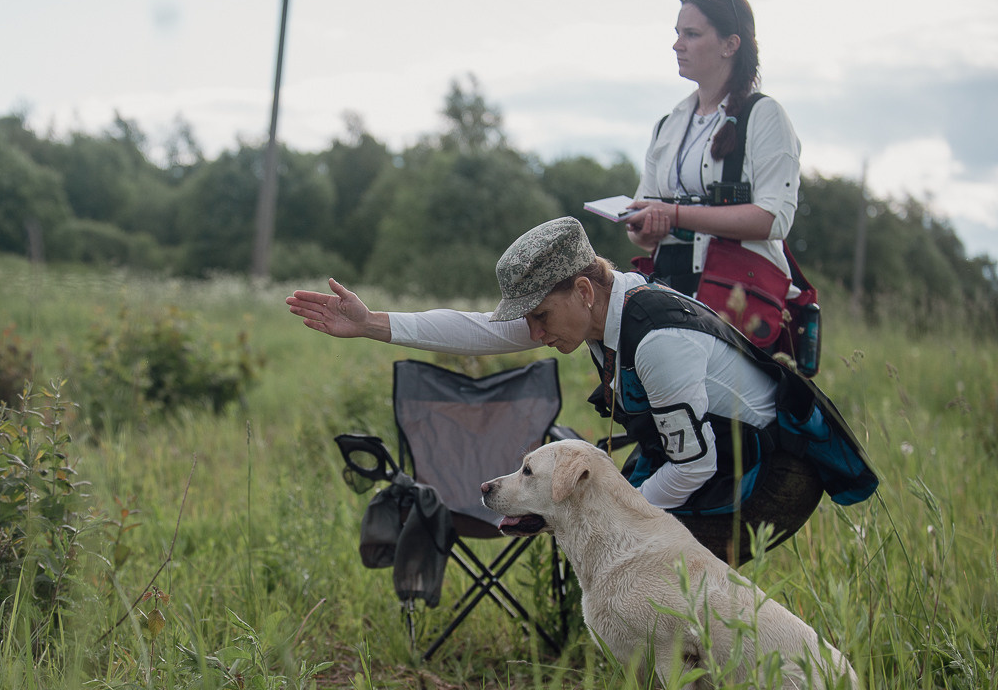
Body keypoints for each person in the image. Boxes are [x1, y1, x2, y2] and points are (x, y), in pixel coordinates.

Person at [287, 217, 878, 565]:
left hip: (766, 472)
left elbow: (694, 465)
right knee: (628, 564)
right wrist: (373, 325)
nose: (536, 334)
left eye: (541, 316)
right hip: (702, 456)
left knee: (665, 582)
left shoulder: (657, 341)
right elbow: (481, 330)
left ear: (584, 291)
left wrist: (609, 516)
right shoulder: (598, 313)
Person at [623, 0, 801, 301]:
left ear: (730, 44)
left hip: (742, 301)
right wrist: (645, 229)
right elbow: (642, 216)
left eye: (691, 34)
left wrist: (675, 215)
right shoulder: (667, 125)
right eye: (678, 33)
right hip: (669, 290)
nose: (677, 45)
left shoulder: (764, 116)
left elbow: (772, 219)